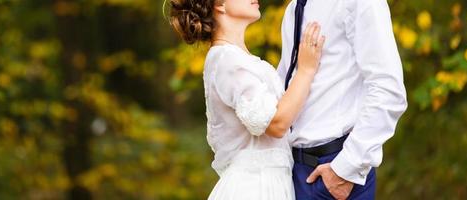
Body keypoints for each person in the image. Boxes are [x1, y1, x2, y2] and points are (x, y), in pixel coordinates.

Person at [168, 0, 325, 199]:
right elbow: (276, 124)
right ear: (220, 5)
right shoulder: (227, 60)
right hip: (254, 188)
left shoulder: (237, 58)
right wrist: (306, 70)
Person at [277, 0, 408, 199]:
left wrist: (346, 168)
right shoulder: (294, 9)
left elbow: (388, 89)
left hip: (335, 171)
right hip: (294, 172)